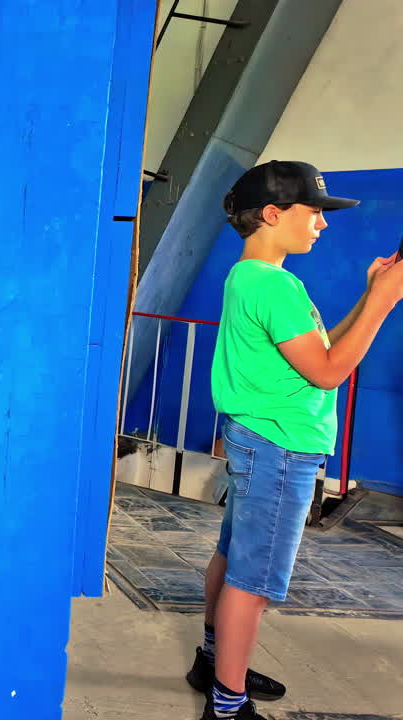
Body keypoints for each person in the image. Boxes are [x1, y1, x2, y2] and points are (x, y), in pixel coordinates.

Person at [191, 160, 403, 720]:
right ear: (272, 214)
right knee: (253, 581)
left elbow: (316, 352)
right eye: (314, 214)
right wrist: (384, 303)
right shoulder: (277, 287)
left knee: (232, 554)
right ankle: (228, 704)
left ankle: (213, 662)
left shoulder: (251, 277)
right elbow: (330, 371)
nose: (323, 225)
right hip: (280, 449)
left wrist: (369, 295)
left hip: (256, 439)